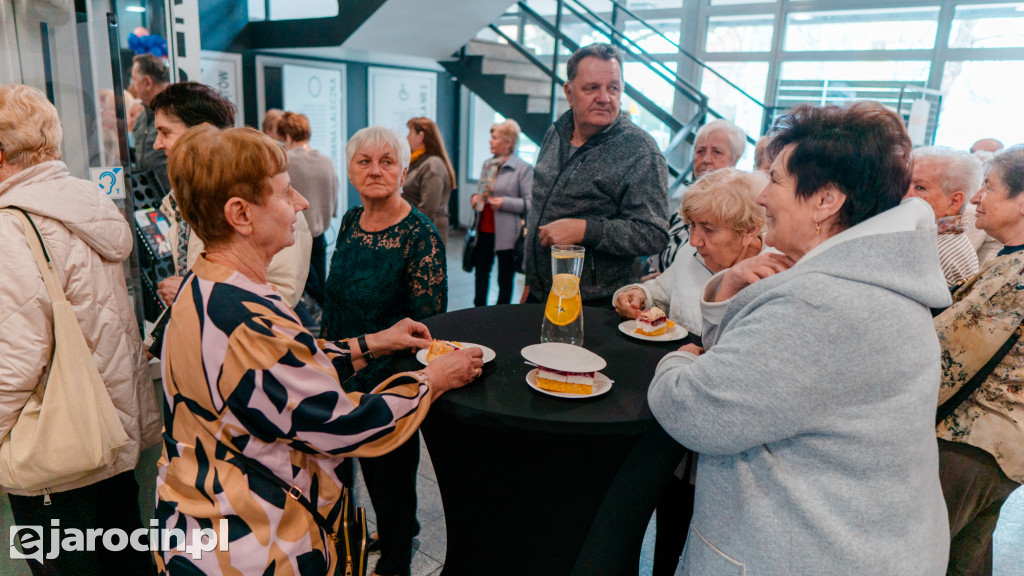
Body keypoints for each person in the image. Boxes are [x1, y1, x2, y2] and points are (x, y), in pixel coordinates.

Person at [156, 124, 483, 575]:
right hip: (253, 540)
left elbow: (283, 365)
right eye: (286, 192)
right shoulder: (246, 318)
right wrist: (435, 378)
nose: (302, 203)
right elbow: (347, 425)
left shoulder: (209, 284)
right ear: (241, 215)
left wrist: (376, 341)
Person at [649, 101, 951, 575]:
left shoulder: (820, 304)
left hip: (807, 550)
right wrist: (727, 292)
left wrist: (679, 363)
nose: (763, 196)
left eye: (776, 180)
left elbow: (698, 411)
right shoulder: (876, 281)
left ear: (826, 201)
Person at [0, 83, 161, 575]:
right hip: (113, 437)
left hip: (56, 456)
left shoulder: (11, 227)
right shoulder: (87, 204)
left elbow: (16, 359)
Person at [322, 126, 448, 576]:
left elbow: (426, 331)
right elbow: (335, 301)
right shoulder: (351, 221)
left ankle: (397, 558)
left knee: (390, 483)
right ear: (351, 169)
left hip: (388, 384)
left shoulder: (420, 236)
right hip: (340, 371)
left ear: (404, 169)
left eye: (387, 161)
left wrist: (396, 392)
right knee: (338, 477)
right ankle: (363, 538)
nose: (375, 170)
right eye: (364, 161)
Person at [935, 144, 1024, 576]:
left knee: (920, 558)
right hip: (1001, 451)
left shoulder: (1016, 274)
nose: (975, 198)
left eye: (988, 187)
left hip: (970, 444)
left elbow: (944, 356)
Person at [523, 42, 669, 304]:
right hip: (541, 294)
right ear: (569, 93)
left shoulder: (640, 150)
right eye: (592, 88)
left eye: (613, 88)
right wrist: (530, 283)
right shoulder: (555, 133)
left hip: (596, 304)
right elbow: (538, 211)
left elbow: (654, 233)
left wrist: (585, 230)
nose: (604, 97)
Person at [149, 82, 312, 310]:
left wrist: (194, 293)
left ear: (200, 133)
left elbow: (278, 298)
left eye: (165, 132)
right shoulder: (182, 200)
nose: (157, 144)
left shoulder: (274, 208)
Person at [613, 168, 767, 335]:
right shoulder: (689, 253)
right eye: (692, 225)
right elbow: (659, 294)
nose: (694, 241)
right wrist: (638, 295)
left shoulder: (772, 276)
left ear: (749, 231)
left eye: (708, 229)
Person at [647, 119, 747, 275]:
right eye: (700, 151)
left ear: (736, 159)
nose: (706, 159)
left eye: (717, 152)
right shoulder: (689, 201)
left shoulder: (737, 208)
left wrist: (670, 284)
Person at [278, 111, 338, 308]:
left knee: (298, 292)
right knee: (320, 288)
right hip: (320, 234)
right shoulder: (326, 160)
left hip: (295, 235)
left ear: (286, 136)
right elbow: (334, 193)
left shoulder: (285, 161)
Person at [469, 119, 533, 306]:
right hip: (484, 228)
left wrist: (505, 203)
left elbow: (531, 203)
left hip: (507, 233)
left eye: (495, 138)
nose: (490, 141)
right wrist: (475, 198)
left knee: (504, 277)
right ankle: (477, 311)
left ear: (508, 143)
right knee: (481, 271)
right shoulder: (488, 164)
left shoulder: (523, 168)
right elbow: (482, 191)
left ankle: (501, 313)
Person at [906, 146, 982, 288]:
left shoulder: (931, 253)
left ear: (954, 202)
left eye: (920, 187)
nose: (904, 193)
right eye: (904, 182)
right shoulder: (931, 234)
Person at [402, 117, 456, 244]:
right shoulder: (416, 162)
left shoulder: (433, 165)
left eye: (410, 133)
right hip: (415, 231)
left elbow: (428, 209)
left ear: (421, 136)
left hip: (427, 235)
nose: (407, 137)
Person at [128, 53, 171, 190]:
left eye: (134, 79)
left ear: (147, 82)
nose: (132, 86)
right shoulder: (142, 119)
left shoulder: (177, 113)